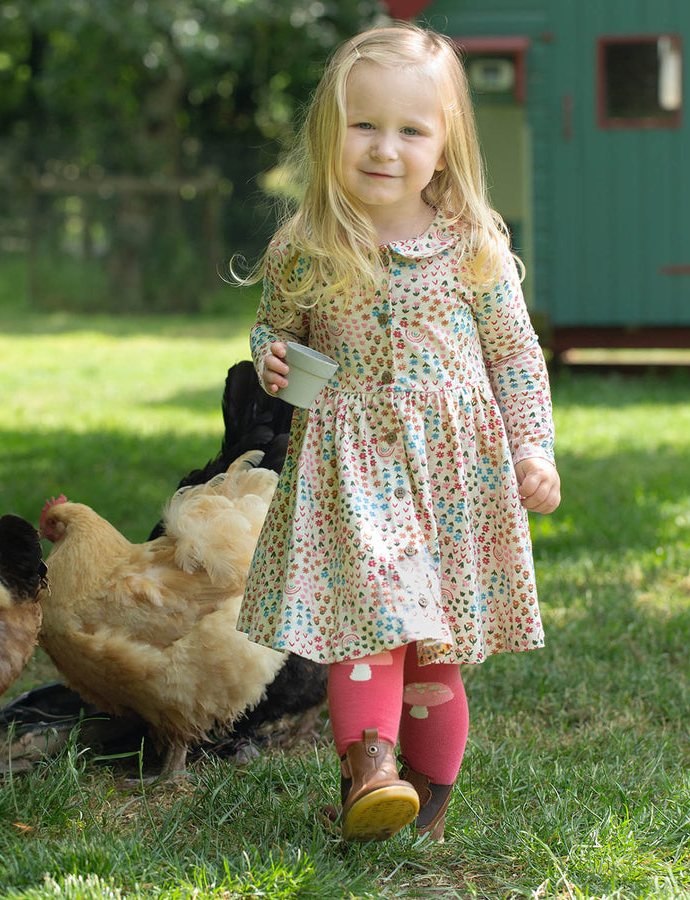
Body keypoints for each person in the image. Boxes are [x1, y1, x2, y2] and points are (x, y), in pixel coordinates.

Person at [235, 20, 561, 843]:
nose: (385, 148)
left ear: (445, 147)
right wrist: (273, 357)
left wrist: (533, 448)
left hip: (451, 473)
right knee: (366, 627)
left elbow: (517, 357)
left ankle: (426, 803)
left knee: (435, 653)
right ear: (328, 134)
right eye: (364, 125)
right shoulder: (306, 246)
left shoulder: (470, 246)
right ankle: (369, 773)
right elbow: (275, 330)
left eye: (411, 130)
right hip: (350, 466)